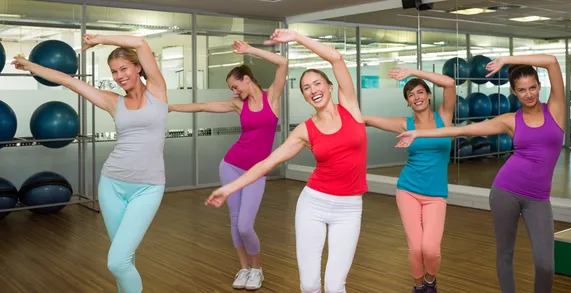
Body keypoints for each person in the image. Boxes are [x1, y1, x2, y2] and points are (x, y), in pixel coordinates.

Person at [205, 28, 367, 293]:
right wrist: (229, 187)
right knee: (310, 284)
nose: (313, 89)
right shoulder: (305, 130)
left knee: (336, 285)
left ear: (329, 86)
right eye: (306, 87)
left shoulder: (350, 108)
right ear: (304, 96)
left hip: (349, 209)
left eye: (317, 83)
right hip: (313, 204)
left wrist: (298, 37)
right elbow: (266, 163)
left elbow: (336, 58)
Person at [13, 34, 169, 293]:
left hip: (148, 187)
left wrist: (100, 39)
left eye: (123, 69)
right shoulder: (113, 101)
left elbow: (140, 43)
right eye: (114, 72)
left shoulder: (157, 92)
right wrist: (31, 66)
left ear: (138, 67)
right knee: (124, 259)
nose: (119, 76)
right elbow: (67, 80)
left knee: (118, 261)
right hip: (112, 185)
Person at [396, 54, 564, 293]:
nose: (529, 94)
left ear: (540, 86)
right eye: (522, 90)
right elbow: (463, 129)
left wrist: (507, 59)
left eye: (533, 87)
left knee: (545, 264)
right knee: (505, 254)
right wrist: (419, 134)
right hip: (505, 191)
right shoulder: (510, 120)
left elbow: (552, 61)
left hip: (538, 198)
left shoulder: (556, 110)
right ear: (514, 93)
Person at [168, 40, 287, 290]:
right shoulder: (237, 104)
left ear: (246, 79)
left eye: (235, 86)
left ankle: (257, 269)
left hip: (257, 172)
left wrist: (250, 51)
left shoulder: (272, 98)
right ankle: (244, 269)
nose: (234, 91)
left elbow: (282, 62)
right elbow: (202, 106)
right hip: (231, 165)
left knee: (245, 224)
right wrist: (170, 107)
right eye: (232, 88)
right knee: (235, 221)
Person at [363, 67, 456, 293]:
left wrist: (414, 72)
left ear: (428, 94)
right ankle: (417, 287)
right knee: (415, 248)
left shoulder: (443, 116)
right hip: (408, 190)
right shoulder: (406, 124)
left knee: (430, 249)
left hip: (436, 195)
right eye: (411, 95)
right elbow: (369, 120)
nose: (417, 97)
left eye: (420, 92)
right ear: (407, 102)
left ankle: (430, 282)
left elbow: (450, 84)